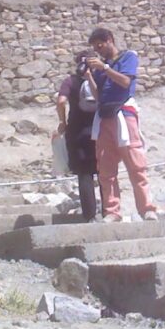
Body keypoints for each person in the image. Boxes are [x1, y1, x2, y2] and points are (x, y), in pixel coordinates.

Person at [84, 28, 158, 223]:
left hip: (123, 115)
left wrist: (105, 69)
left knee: (136, 165)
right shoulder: (102, 66)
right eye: (94, 47)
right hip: (105, 116)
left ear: (109, 40)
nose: (98, 50)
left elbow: (125, 82)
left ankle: (147, 209)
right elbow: (99, 95)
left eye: (99, 45)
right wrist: (90, 77)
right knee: (106, 170)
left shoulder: (128, 57)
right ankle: (112, 211)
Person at [55, 50, 99, 222]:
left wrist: (62, 121)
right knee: (104, 172)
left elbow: (60, 101)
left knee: (84, 174)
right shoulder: (98, 80)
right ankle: (110, 212)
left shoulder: (70, 81)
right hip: (98, 130)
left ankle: (90, 216)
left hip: (76, 132)